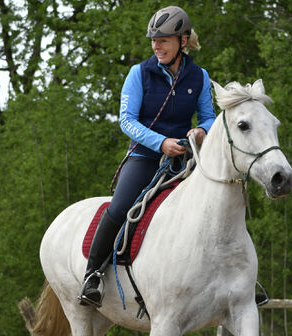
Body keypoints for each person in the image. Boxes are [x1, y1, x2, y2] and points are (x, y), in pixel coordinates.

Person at [79, 6, 215, 307]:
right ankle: (93, 276)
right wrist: (161, 143)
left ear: (182, 41)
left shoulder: (200, 77)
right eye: (154, 40)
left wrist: (201, 132)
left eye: (164, 40)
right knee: (120, 207)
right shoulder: (138, 73)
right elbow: (126, 120)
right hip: (144, 156)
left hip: (185, 158)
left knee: (222, 199)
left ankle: (240, 277)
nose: (157, 46)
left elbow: (210, 117)